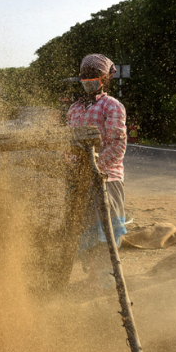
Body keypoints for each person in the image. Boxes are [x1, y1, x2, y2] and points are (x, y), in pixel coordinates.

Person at [67, 53, 127, 289]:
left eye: (93, 77)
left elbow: (118, 145)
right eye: (84, 76)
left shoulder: (112, 105)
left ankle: (106, 283)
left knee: (105, 232)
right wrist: (72, 166)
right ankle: (92, 278)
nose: (88, 80)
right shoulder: (74, 108)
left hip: (106, 178)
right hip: (78, 180)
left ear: (104, 78)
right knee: (84, 231)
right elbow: (69, 145)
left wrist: (94, 167)